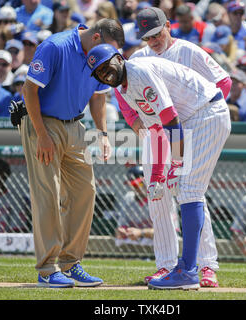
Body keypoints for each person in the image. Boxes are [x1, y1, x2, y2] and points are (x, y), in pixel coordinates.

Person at [87, 43, 231, 290]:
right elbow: (156, 130)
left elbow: (171, 120)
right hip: (193, 119)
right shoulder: (125, 87)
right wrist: (156, 176)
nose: (103, 73)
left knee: (189, 190)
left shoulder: (139, 72)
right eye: (98, 72)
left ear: (119, 59)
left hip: (207, 113)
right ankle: (185, 269)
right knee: (185, 191)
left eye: (105, 66)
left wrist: (175, 163)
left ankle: (189, 270)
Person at [20, 18, 125, 288]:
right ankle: (47, 269)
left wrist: (102, 134)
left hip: (76, 124)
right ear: (98, 38)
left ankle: (70, 262)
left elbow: (99, 97)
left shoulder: (97, 54)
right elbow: (29, 90)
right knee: (48, 193)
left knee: (85, 191)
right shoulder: (56, 46)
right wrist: (42, 135)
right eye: (110, 50)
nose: (111, 60)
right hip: (41, 122)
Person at [115, 165, 180, 247]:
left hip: (162, 241)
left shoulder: (162, 198)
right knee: (119, 241)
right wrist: (122, 231)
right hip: (137, 240)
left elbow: (168, 231)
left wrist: (141, 233)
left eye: (140, 184)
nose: (137, 188)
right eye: (133, 185)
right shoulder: (129, 198)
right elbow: (121, 226)